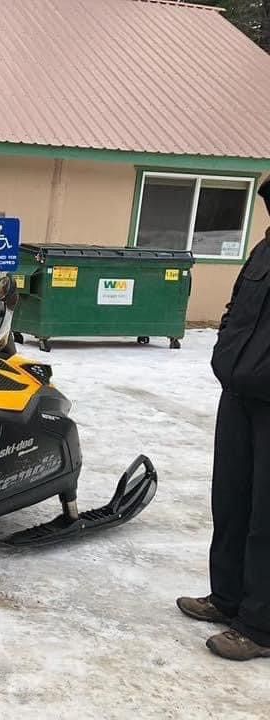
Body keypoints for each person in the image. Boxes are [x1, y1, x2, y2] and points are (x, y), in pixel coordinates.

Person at [177, 176, 270, 661]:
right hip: (238, 392)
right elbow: (237, 307)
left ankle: (259, 626)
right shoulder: (264, 249)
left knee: (266, 517)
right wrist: (225, 349)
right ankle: (228, 598)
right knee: (231, 501)